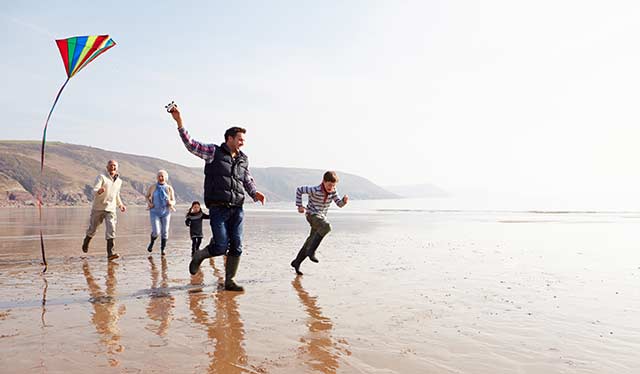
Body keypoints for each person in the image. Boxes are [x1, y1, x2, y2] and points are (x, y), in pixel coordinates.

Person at [169, 104, 265, 291]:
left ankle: (229, 281)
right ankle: (199, 256)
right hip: (218, 207)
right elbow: (191, 144)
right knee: (221, 246)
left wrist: (254, 193)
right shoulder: (213, 152)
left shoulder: (244, 158)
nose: (242, 142)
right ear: (229, 138)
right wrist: (179, 122)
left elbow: (246, 179)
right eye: (239, 139)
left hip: (237, 208)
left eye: (243, 140)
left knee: (237, 245)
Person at [290, 171, 348, 275]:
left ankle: (297, 262)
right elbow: (299, 190)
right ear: (323, 182)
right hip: (312, 215)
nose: (331, 187)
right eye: (329, 185)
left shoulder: (333, 192)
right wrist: (299, 206)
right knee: (327, 227)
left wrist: (344, 201)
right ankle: (311, 252)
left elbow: (339, 204)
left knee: (311, 240)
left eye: (333, 185)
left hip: (321, 217)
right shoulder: (314, 190)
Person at [81, 159, 127, 260]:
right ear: (107, 167)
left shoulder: (119, 181)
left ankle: (110, 253)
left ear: (117, 168)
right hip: (98, 208)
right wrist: (99, 191)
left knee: (111, 228)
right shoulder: (101, 177)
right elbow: (94, 190)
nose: (112, 167)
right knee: (93, 229)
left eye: (114, 166)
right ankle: (86, 241)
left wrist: (120, 205)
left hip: (111, 208)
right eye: (110, 165)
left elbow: (116, 195)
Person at [146, 169, 176, 256]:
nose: (160, 178)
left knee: (165, 231)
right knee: (156, 231)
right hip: (154, 212)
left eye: (162, 176)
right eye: (159, 176)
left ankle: (163, 249)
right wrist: (149, 203)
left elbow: (174, 200)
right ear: (157, 177)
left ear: (165, 177)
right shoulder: (153, 187)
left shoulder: (169, 188)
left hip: (166, 212)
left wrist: (171, 203)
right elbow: (147, 196)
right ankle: (152, 243)